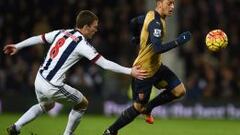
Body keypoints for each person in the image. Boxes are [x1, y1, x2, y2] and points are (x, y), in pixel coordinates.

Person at [3, 10, 148, 135]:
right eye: (94, 27)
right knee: (82, 103)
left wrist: (18, 45)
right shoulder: (81, 44)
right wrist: (130, 71)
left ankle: (16, 126)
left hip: (39, 79)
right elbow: (104, 64)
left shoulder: (61, 32)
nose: (96, 30)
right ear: (85, 27)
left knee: (47, 105)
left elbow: (39, 38)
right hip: (52, 85)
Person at [103, 0, 192, 134]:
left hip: (156, 67)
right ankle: (111, 131)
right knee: (137, 108)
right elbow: (157, 49)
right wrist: (178, 41)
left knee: (179, 91)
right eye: (169, 3)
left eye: (173, 3)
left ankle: (148, 108)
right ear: (159, 3)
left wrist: (135, 37)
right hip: (144, 71)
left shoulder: (150, 15)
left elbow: (133, 21)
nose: (172, 6)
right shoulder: (155, 23)